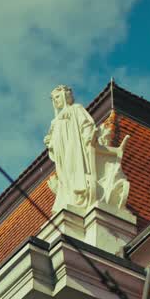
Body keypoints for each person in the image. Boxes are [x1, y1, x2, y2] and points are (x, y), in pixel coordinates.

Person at [44, 85, 97, 213]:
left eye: (57, 97)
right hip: (61, 154)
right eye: (53, 99)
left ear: (65, 95)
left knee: (74, 169)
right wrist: (50, 142)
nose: (55, 100)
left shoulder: (76, 109)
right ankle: (67, 196)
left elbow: (87, 124)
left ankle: (77, 195)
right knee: (64, 175)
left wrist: (88, 140)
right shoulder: (54, 121)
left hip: (74, 148)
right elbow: (52, 139)